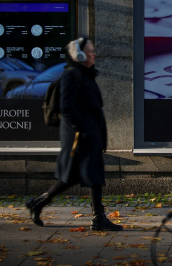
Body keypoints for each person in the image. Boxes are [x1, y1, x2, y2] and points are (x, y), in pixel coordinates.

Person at [25, 37, 122, 232]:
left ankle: (38, 203)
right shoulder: (72, 75)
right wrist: (83, 128)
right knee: (91, 174)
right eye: (91, 51)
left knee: (75, 176)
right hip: (80, 135)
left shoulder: (86, 74)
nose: (94, 54)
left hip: (89, 133)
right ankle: (98, 218)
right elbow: (66, 108)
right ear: (79, 54)